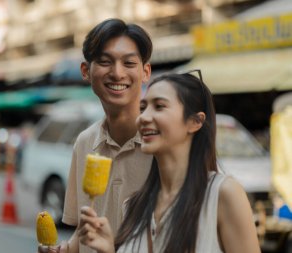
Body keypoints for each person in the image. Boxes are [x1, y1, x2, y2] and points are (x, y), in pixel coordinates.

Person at [78, 70, 261, 253]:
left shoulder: (222, 194)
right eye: (143, 108)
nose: (143, 117)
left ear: (195, 121)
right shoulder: (132, 207)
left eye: (159, 106)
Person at [38, 18, 153, 253]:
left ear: (145, 72)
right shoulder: (84, 143)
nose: (117, 73)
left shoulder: (164, 143)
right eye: (104, 62)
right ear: (85, 71)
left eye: (129, 63)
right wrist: (64, 250)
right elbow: (84, 235)